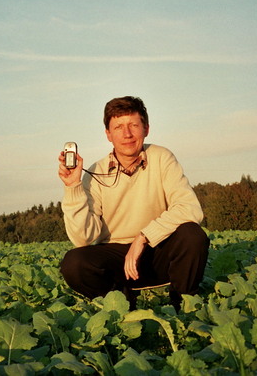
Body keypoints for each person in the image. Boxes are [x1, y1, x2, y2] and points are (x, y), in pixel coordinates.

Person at [57, 96, 209, 310]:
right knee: (74, 263)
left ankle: (184, 305)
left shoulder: (162, 157)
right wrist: (73, 187)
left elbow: (189, 208)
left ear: (146, 128)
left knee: (193, 234)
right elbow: (83, 238)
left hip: (157, 250)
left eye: (133, 125)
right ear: (108, 134)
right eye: (118, 127)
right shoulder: (95, 172)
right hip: (117, 259)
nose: (127, 134)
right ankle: (121, 303)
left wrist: (143, 237)